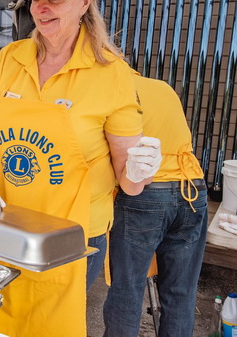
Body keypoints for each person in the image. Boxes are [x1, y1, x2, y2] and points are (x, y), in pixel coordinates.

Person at [0, 0, 162, 337]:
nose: (41, 8)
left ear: (85, 1)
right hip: (2, 224)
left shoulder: (112, 75)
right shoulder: (8, 59)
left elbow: (129, 182)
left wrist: (140, 170)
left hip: (71, 236)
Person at [103, 72, 208, 337]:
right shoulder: (162, 87)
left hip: (145, 192)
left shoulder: (110, 90)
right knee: (181, 291)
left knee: (127, 288)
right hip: (192, 189)